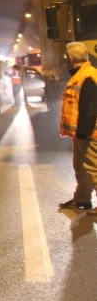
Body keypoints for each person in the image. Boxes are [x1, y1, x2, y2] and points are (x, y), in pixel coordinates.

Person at [58, 42, 97, 211]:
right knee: (82, 168)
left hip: (90, 133)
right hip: (83, 133)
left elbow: (90, 107)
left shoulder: (87, 76)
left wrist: (83, 132)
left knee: (92, 169)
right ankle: (82, 199)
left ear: (70, 58)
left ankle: (83, 199)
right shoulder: (82, 74)